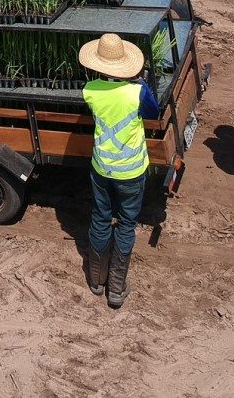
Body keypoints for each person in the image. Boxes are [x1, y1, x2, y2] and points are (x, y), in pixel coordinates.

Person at [79, 32, 159, 309]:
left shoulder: (89, 91)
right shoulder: (137, 92)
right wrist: (142, 82)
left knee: (100, 217)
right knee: (126, 224)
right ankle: (116, 288)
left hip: (102, 167)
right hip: (132, 171)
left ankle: (96, 281)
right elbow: (152, 111)